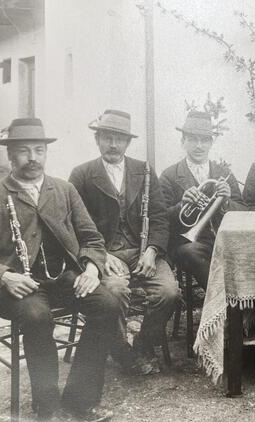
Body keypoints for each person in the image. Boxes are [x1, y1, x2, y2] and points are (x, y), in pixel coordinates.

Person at [0, 118, 120, 422]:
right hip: (16, 287)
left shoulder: (63, 189)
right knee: (37, 316)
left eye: (39, 150)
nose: (32, 157)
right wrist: (5, 276)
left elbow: (92, 239)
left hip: (62, 279)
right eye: (23, 151)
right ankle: (45, 410)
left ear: (47, 153)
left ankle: (80, 398)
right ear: (10, 157)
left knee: (108, 302)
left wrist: (91, 269)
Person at [69, 109, 180, 375]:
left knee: (169, 293)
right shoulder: (82, 175)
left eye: (119, 138)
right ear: (97, 139)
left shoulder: (144, 171)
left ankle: (143, 345)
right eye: (107, 137)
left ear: (128, 142)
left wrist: (152, 251)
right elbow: (73, 226)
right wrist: (100, 257)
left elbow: (159, 218)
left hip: (143, 251)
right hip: (104, 255)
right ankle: (121, 351)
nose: (113, 144)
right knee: (115, 291)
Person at [159, 111, 245, 290]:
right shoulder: (169, 176)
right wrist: (181, 206)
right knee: (191, 252)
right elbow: (160, 219)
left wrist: (227, 202)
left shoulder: (223, 173)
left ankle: (250, 306)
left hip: (223, 240)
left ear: (211, 143)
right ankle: (223, 304)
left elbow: (243, 212)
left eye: (204, 140)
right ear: (183, 142)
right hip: (189, 244)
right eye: (192, 139)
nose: (199, 146)